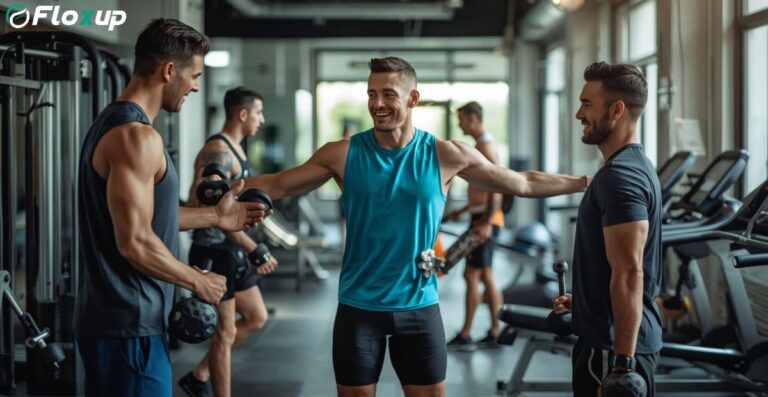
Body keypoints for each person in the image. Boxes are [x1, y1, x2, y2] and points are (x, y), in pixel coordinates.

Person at [241, 56, 590, 397]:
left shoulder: (445, 154)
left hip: (419, 306)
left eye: (388, 94)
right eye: (371, 94)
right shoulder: (342, 154)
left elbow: (521, 183)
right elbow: (280, 183)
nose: (377, 103)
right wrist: (220, 187)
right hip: (358, 307)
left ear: (412, 98)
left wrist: (586, 181)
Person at [75, 19, 267, 397]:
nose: (195, 86)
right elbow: (134, 241)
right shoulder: (136, 137)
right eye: (193, 75)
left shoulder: (112, 124)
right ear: (168, 71)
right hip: (130, 326)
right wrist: (197, 280)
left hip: (120, 323)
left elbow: (145, 220)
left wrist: (215, 216)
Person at [552, 61, 661, 396]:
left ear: (617, 110)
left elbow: (630, 271)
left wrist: (621, 365)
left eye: (587, 104)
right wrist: (586, 300)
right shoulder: (630, 166)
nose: (578, 115)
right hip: (610, 338)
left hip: (611, 350)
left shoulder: (620, 177)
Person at [178, 87, 279, 397]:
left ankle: (199, 375)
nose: (262, 120)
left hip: (231, 249)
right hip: (214, 250)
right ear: (243, 114)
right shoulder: (218, 152)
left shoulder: (236, 148)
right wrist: (255, 248)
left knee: (256, 317)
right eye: (259, 113)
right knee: (226, 332)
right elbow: (204, 199)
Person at [444, 101, 505, 350]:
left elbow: (498, 185)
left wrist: (487, 222)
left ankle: (468, 332)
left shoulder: (486, 146)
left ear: (472, 118)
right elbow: (481, 190)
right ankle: (495, 329)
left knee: (472, 275)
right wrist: (460, 211)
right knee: (486, 276)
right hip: (479, 217)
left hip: (486, 221)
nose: (459, 124)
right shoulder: (481, 146)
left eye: (461, 119)